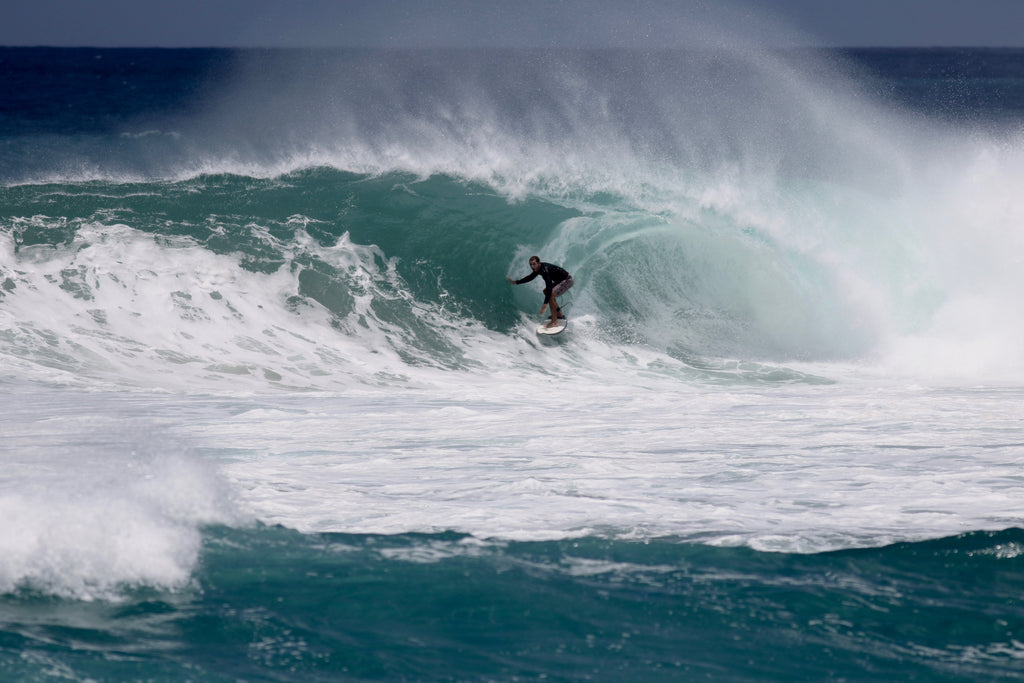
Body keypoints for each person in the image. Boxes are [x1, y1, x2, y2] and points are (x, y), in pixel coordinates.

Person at [507, 256, 574, 328]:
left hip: (567, 280)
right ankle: (559, 314)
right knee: (545, 291)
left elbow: (549, 286)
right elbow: (530, 277)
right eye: (530, 264)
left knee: (550, 294)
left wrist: (545, 304)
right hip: (560, 281)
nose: (532, 266)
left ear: (539, 263)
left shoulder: (545, 270)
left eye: (534, 264)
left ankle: (554, 322)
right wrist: (516, 282)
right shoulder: (537, 269)